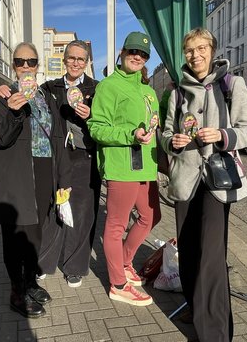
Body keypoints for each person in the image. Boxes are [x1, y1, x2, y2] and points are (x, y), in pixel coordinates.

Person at [160, 27, 247, 341]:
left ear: (212, 50)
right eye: (190, 50)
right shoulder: (177, 93)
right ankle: (194, 305)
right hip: (185, 181)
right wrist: (172, 142)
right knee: (188, 251)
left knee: (210, 257)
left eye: (201, 48)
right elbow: (165, 134)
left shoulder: (231, 84)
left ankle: (214, 333)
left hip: (217, 179)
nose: (196, 55)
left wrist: (222, 135)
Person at [0, 40, 100, 288]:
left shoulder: (96, 88)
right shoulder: (48, 88)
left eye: (81, 59)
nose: (75, 63)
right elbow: (3, 133)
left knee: (80, 215)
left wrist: (91, 116)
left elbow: (104, 122)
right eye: (71, 58)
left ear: (87, 62)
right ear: (64, 60)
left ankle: (73, 267)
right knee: (50, 217)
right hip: (46, 161)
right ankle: (39, 266)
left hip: (81, 157)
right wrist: (3, 90)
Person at [0, 42, 71, 319]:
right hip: (18, 173)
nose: (26, 66)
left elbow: (58, 138)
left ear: (38, 65)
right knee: (16, 235)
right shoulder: (4, 96)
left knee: (36, 232)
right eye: (20, 61)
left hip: (45, 170)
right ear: (13, 65)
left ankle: (30, 281)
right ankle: (17, 290)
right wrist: (13, 112)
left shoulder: (47, 97)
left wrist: (64, 177)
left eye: (31, 61)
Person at [87, 31, 162, 306]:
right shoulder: (109, 86)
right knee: (116, 226)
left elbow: (155, 127)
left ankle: (125, 261)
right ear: (122, 52)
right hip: (121, 166)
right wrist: (131, 134)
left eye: (143, 54)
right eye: (133, 51)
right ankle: (118, 284)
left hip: (146, 167)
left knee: (151, 216)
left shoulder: (149, 91)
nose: (137, 57)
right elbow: (96, 128)